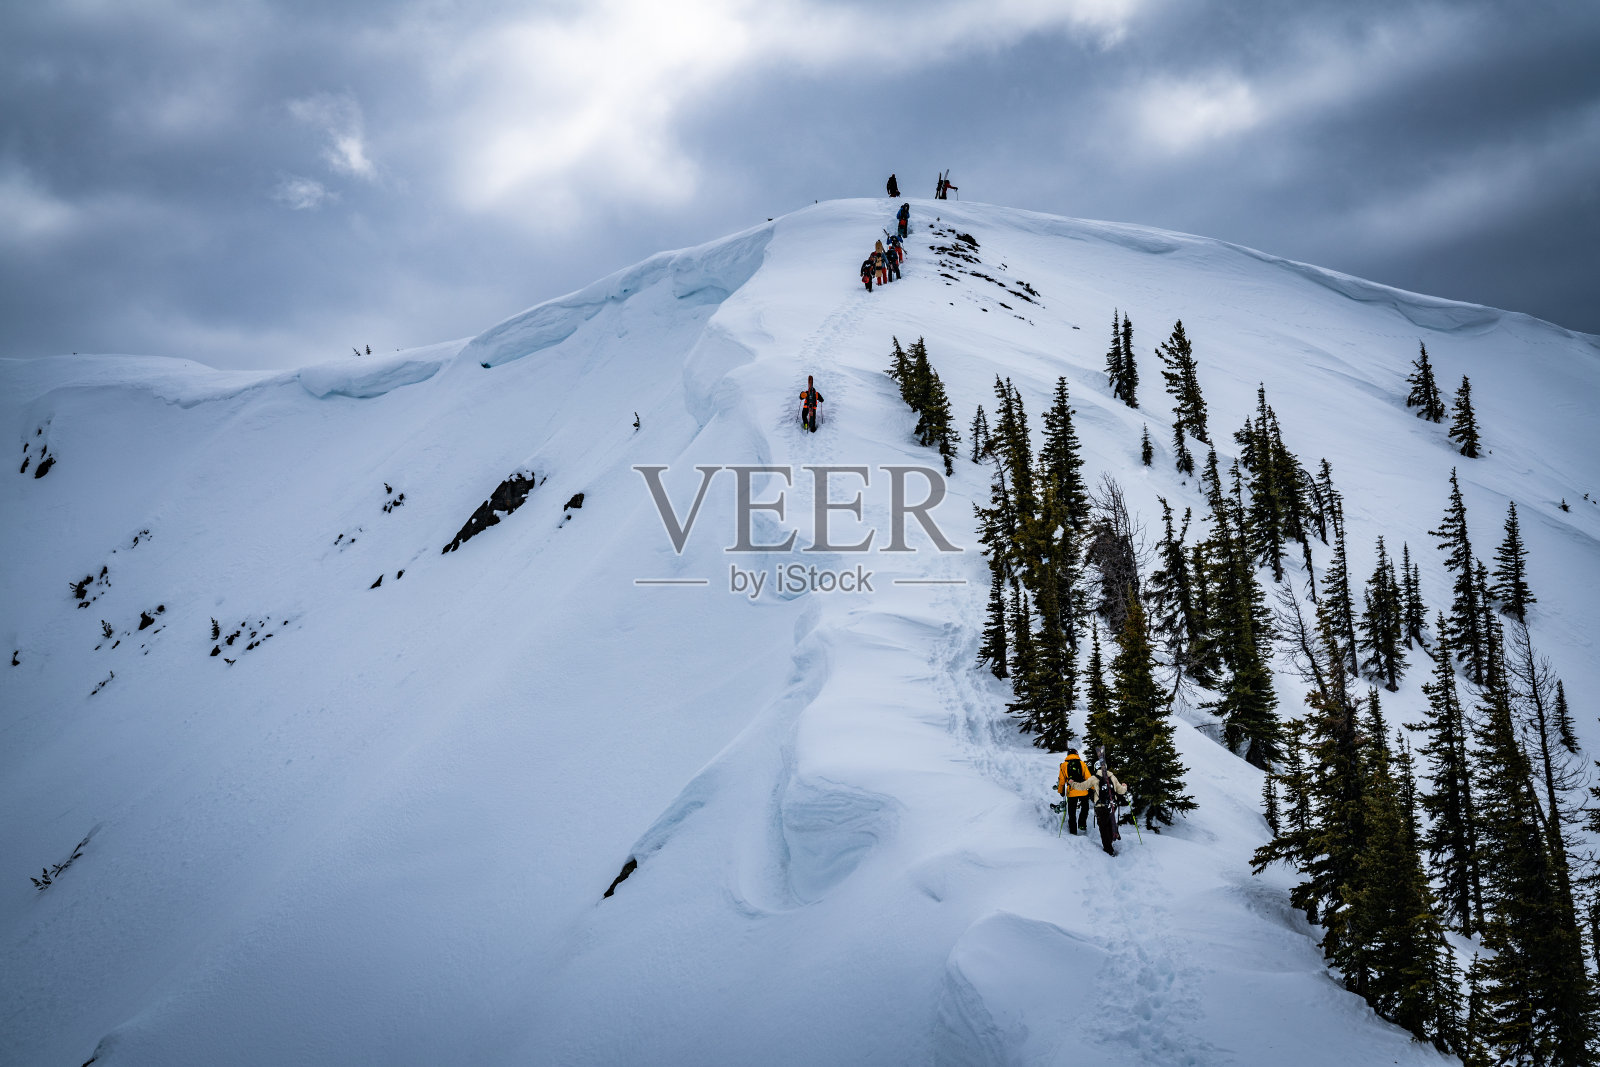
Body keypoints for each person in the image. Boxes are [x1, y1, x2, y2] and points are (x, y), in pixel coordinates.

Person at [1087, 747, 1129, 856]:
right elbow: (1121, 791)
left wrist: (1072, 784)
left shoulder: (1094, 777)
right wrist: (1125, 786)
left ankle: (1108, 849)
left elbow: (1082, 786)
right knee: (1110, 823)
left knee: (1103, 827)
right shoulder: (1112, 776)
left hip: (1100, 806)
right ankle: (1112, 839)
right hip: (1111, 805)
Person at [1054, 745, 1092, 835]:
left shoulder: (1064, 765)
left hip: (1071, 791)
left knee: (1072, 811)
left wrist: (1061, 791)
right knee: (1085, 807)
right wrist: (1092, 789)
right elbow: (1089, 778)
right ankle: (1082, 824)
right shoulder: (1082, 763)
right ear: (1076, 754)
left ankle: (1073, 830)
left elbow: (1062, 780)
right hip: (1083, 790)